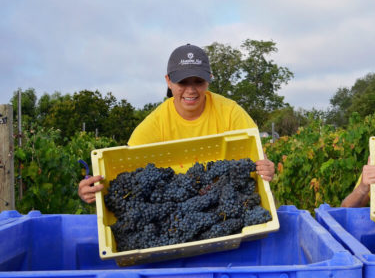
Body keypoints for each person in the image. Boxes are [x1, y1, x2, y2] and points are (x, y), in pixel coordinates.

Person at [78, 43, 275, 204]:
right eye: (182, 82)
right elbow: (123, 174)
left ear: (209, 80)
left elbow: (257, 156)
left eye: (198, 81)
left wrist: (266, 168)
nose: (191, 90)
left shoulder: (231, 112)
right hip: (175, 209)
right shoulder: (156, 123)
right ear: (169, 81)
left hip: (223, 201)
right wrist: (93, 189)